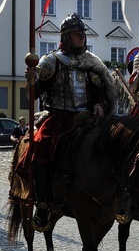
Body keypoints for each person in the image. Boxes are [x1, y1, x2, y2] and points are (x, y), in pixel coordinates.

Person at [27, 13, 118, 231]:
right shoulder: (51, 61)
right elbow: (32, 96)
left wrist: (101, 106)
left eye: (83, 34)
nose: (82, 37)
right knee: (40, 146)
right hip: (58, 117)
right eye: (77, 34)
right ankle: (42, 202)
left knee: (113, 145)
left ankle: (117, 197)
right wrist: (31, 81)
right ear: (66, 37)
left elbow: (102, 95)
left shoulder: (92, 63)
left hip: (86, 118)